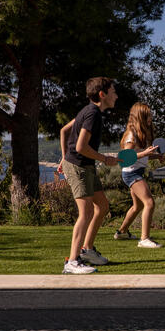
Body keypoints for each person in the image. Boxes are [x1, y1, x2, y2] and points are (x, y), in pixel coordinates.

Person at [59, 77, 121, 274]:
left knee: (102, 206)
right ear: (102, 95)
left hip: (84, 165)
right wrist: (104, 158)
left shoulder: (88, 111)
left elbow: (64, 131)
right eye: (113, 92)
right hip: (79, 167)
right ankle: (72, 262)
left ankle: (86, 250)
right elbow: (80, 146)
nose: (116, 95)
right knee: (85, 213)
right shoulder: (92, 114)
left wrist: (63, 158)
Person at [113, 102, 163, 248]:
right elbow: (125, 158)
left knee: (137, 206)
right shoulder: (131, 134)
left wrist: (153, 157)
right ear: (140, 116)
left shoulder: (141, 133)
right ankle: (144, 239)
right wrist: (147, 153)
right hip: (131, 173)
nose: (151, 117)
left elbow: (139, 156)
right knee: (149, 202)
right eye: (148, 115)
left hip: (136, 172)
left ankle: (122, 232)